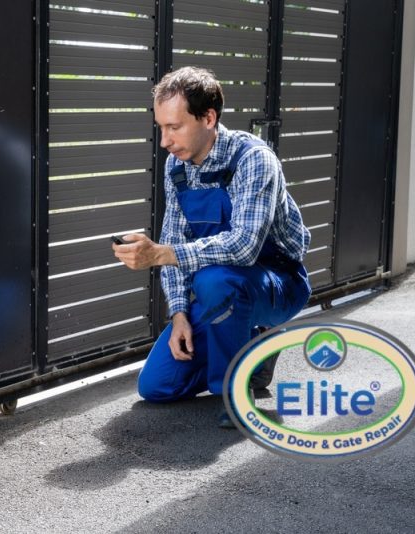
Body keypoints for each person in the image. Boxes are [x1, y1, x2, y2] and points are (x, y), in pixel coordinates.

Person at [112, 66, 312, 427]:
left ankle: (235, 395)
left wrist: (161, 253)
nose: (165, 141)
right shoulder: (177, 168)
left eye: (174, 127)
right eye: (161, 127)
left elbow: (244, 246)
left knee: (213, 280)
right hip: (225, 290)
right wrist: (178, 315)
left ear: (208, 118)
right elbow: (174, 240)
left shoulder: (254, 159)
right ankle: (255, 350)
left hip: (278, 283)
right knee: (156, 385)